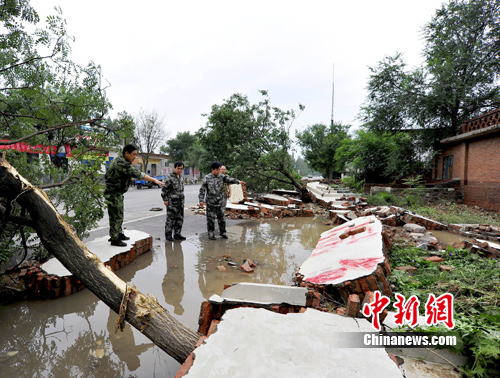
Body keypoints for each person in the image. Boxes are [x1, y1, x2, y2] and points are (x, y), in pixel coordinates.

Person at [104, 144, 164, 247]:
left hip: (116, 192)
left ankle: (118, 233)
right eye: (133, 154)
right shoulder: (122, 163)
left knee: (119, 214)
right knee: (116, 215)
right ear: (126, 153)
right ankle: (114, 238)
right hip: (113, 193)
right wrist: (154, 180)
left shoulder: (121, 160)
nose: (135, 157)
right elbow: (137, 174)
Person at [199, 162, 245, 240]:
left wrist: (238, 182)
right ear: (212, 169)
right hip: (211, 202)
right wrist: (201, 200)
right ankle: (211, 233)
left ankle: (223, 232)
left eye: (219, 170)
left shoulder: (222, 177)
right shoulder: (207, 178)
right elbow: (202, 190)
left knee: (222, 218)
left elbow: (229, 180)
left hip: (220, 201)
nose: (218, 171)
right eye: (217, 170)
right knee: (211, 219)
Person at [161, 161, 186, 241]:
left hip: (180, 202)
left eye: (181, 169)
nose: (180, 170)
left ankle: (177, 234)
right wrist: (165, 199)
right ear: (174, 168)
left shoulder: (181, 177)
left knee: (180, 219)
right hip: (172, 202)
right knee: (170, 219)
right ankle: (168, 234)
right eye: (178, 168)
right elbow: (164, 190)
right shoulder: (169, 177)